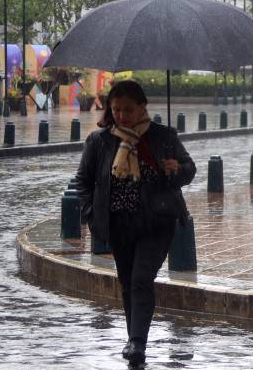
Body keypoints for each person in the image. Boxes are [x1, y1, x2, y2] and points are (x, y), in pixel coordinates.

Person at [75, 80, 195, 366]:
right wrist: (92, 214)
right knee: (128, 283)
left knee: (141, 279)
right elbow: (83, 181)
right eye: (116, 109)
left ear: (142, 107)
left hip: (156, 222)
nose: (121, 115)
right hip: (119, 225)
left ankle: (138, 342)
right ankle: (134, 339)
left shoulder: (162, 137)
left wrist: (175, 170)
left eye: (128, 109)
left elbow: (189, 170)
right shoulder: (100, 141)